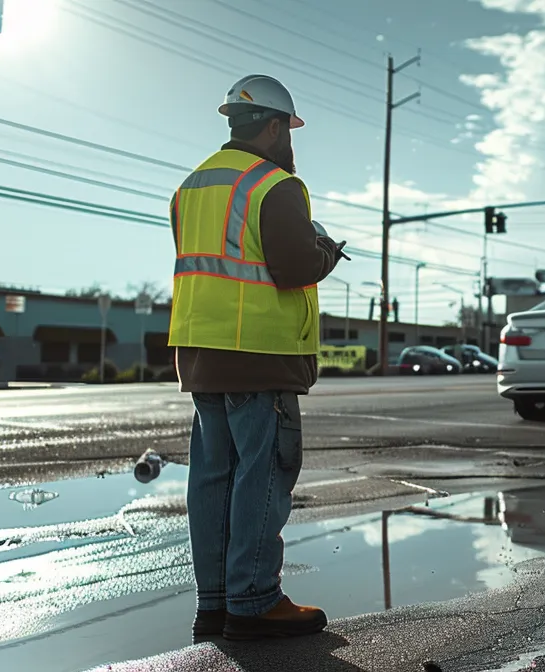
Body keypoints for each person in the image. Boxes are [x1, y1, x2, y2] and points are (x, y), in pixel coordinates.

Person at [167, 74, 346, 641]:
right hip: (260, 353)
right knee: (264, 475)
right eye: (288, 128)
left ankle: (216, 602)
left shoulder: (191, 186)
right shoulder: (276, 185)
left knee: (213, 478)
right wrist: (326, 253)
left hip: (201, 352)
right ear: (272, 127)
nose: (290, 140)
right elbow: (293, 268)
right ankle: (255, 601)